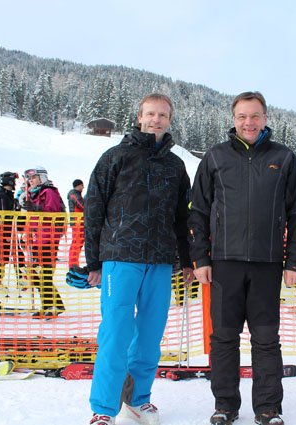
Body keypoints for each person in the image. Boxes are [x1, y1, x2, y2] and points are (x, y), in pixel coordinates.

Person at [189, 91, 296, 425]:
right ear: (233, 119)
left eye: (255, 116)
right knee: (224, 338)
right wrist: (200, 258)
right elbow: (197, 211)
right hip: (225, 265)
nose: (249, 122)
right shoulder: (215, 157)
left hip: (267, 264)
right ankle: (225, 405)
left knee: (266, 339)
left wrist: (294, 261)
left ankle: (268, 407)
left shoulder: (283, 158)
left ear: (265, 118)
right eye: (242, 116)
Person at [85, 93, 194, 425]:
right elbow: (94, 208)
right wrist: (94, 262)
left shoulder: (176, 166)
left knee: (149, 334)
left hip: (160, 261)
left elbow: (181, 218)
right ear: (139, 116)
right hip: (120, 257)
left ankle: (138, 399)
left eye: (162, 115)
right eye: (150, 114)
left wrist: (186, 260)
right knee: (116, 333)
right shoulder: (116, 156)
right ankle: (104, 408)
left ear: (169, 120)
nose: (156, 120)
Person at [22, 166, 67, 319]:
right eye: (29, 178)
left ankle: (53, 305)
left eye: (34, 177)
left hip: (48, 239)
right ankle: (49, 304)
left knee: (44, 274)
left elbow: (52, 214)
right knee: (36, 274)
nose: (31, 180)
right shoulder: (34, 195)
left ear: (42, 178)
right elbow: (33, 219)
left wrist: (35, 208)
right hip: (37, 239)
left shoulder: (49, 192)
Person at [0, 171, 26, 291]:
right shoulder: (1, 196)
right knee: (4, 255)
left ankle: (21, 279)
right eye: (13, 181)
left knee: (15, 254)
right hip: (5, 232)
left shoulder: (9, 195)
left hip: (11, 231)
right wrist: (5, 233)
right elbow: (3, 216)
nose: (15, 183)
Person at [67, 179, 85, 268]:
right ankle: (73, 264)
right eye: (82, 185)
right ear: (79, 185)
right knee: (76, 243)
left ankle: (74, 263)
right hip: (77, 222)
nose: (83, 187)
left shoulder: (75, 194)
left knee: (78, 243)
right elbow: (82, 205)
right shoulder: (74, 194)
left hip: (79, 222)